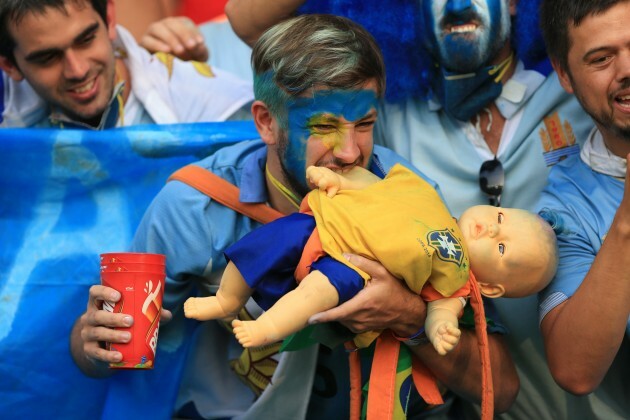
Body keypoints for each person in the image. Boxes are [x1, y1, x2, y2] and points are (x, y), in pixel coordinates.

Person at [70, 14, 519, 418]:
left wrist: (408, 317)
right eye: (323, 128)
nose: (349, 153)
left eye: (363, 124)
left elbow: (502, 386)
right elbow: (112, 356)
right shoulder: (194, 207)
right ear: (266, 122)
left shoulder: (413, 200)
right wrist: (91, 346)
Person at [224, 1, 628, 418]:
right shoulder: (390, 110)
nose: (456, 5)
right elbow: (253, 28)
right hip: (494, 400)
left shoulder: (579, 83)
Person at [185, 163, 557, 357]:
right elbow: (375, 187)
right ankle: (227, 299)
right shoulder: (429, 197)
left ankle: (267, 329)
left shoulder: (458, 277)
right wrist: (336, 180)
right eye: (501, 218)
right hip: (323, 223)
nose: (492, 231)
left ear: (491, 286)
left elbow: (442, 308)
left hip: (353, 266)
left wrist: (438, 328)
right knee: (263, 245)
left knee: (318, 291)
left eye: (502, 247)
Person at [534, 0, 630, 406]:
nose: (627, 69)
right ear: (564, 74)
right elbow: (574, 370)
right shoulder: (565, 209)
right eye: (602, 58)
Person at [0, 0, 252, 129]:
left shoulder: (215, 106)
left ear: (110, 18)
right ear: (9, 66)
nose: (77, 70)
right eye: (48, 58)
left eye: (86, 40)